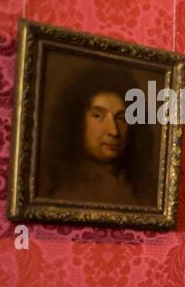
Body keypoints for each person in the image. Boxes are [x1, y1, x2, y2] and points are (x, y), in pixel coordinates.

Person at [43, 68, 142, 206]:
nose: (114, 131)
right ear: (78, 122)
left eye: (121, 117)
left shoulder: (135, 186)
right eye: (98, 116)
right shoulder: (68, 191)